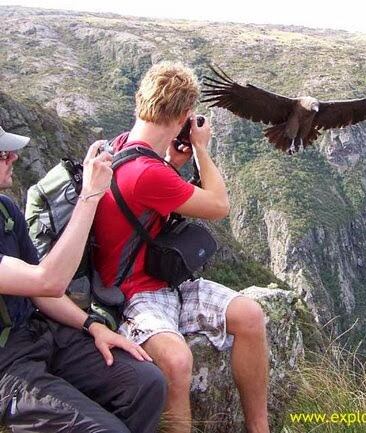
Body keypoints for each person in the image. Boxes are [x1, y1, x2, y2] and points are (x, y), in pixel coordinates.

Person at [92, 61, 270, 433]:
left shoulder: (124, 146)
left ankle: (259, 427)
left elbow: (146, 200)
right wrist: (202, 150)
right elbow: (219, 206)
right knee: (177, 360)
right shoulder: (147, 172)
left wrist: (173, 162)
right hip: (132, 296)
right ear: (185, 116)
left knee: (250, 316)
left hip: (162, 280)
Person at [0, 125, 167, 433]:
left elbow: (39, 293)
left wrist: (92, 326)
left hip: (37, 335)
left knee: (147, 384)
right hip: (7, 367)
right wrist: (89, 195)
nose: (13, 157)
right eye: (2, 154)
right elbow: (48, 281)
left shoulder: (6, 210)